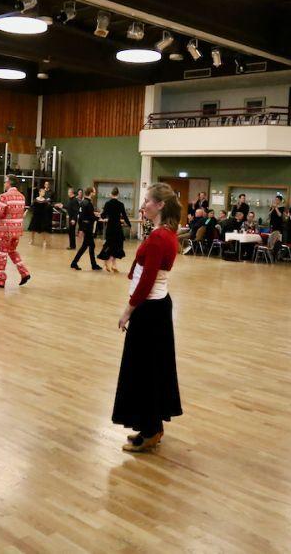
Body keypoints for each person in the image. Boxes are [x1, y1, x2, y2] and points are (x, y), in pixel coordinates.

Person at [113, 182, 183, 453]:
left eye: (147, 202)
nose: (143, 206)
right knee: (151, 367)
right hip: (156, 307)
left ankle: (151, 429)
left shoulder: (159, 238)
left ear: (160, 205)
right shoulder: (163, 234)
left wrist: (128, 310)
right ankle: (151, 426)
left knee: (145, 369)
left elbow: (147, 280)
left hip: (149, 309)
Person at [0, 175, 30, 288]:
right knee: (12, 251)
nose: (4, 184)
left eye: (5, 182)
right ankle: (24, 272)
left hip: (6, 230)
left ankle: (1, 279)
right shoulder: (22, 197)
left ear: (9, 183)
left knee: (2, 253)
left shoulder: (4, 196)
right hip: (17, 230)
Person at [98, 187, 131, 272]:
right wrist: (129, 224)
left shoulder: (107, 203)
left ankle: (109, 263)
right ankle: (113, 264)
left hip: (110, 227)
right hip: (117, 227)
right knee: (117, 245)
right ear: (118, 194)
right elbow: (124, 216)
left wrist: (101, 214)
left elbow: (103, 216)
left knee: (109, 244)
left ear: (111, 194)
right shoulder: (121, 204)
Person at [71, 187, 101, 270]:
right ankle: (74, 263)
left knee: (91, 245)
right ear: (91, 193)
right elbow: (91, 217)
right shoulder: (89, 203)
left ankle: (93, 264)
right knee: (85, 246)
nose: (95, 193)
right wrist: (99, 218)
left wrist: (81, 228)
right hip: (88, 227)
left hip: (85, 227)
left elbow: (81, 216)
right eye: (94, 192)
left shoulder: (83, 202)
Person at [58, 186, 80, 250]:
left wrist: (73, 219)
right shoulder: (70, 199)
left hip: (73, 218)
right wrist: (62, 206)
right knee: (70, 232)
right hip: (70, 217)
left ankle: (72, 246)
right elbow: (69, 207)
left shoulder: (74, 200)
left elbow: (76, 211)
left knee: (72, 232)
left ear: (71, 192)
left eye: (68, 192)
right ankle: (72, 245)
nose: (68, 193)